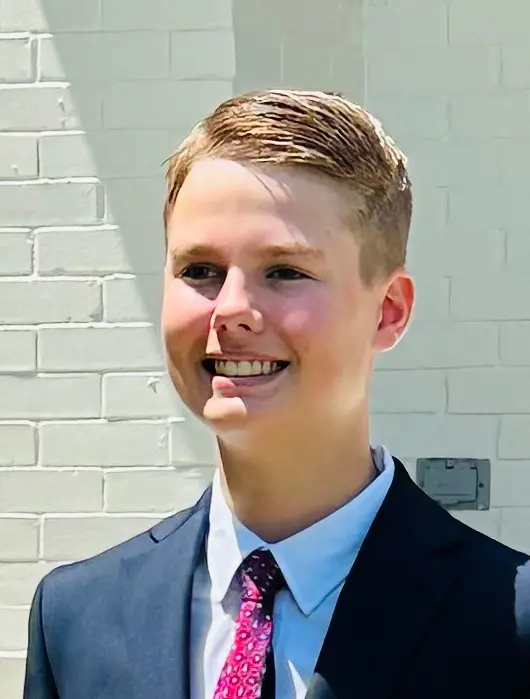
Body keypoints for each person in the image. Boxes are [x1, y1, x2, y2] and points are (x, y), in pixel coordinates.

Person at [23, 89, 530, 699]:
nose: (231, 309)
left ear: (388, 311)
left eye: (285, 271)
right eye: (200, 271)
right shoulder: (77, 620)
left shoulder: (508, 625)